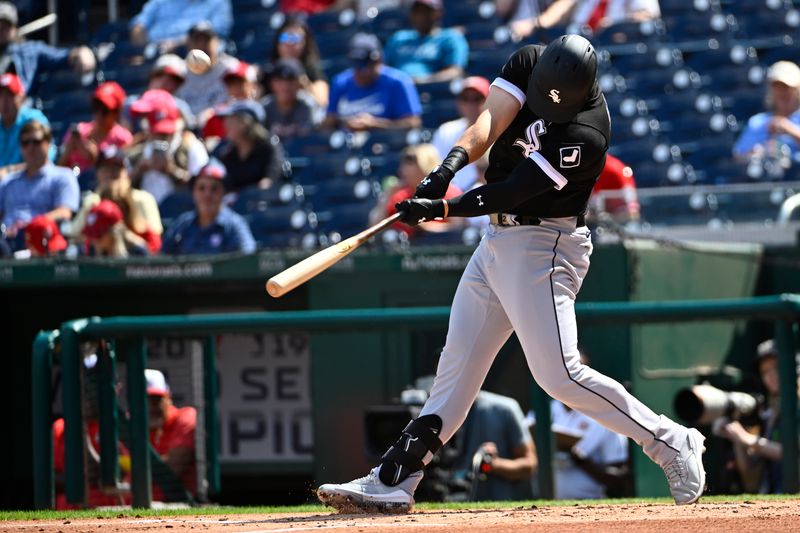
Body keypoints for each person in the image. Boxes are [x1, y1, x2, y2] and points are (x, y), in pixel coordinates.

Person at [316, 35, 705, 513]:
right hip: (498, 243)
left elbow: (511, 192)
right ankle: (396, 478)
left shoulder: (586, 134)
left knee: (559, 375)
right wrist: (447, 169)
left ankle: (671, 442)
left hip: (545, 245)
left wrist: (442, 206)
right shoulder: (531, 61)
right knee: (454, 370)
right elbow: (489, 122)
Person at [545, 350, 630, 499]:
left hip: (589, 504)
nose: (570, 380)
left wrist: (578, 458)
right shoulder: (547, 410)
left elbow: (619, 476)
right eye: (565, 373)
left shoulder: (604, 413)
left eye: (575, 373)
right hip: (543, 504)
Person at [717, 340, 789, 494]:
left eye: (775, 368)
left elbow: (793, 455)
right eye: (765, 372)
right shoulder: (769, 413)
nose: (770, 376)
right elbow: (751, 482)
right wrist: (737, 439)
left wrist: (746, 438)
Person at [71, 146, 162, 254]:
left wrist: (127, 237)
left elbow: (155, 239)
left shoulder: (143, 198)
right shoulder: (92, 201)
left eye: (116, 169)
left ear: (126, 172)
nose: (110, 174)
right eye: (105, 169)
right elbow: (75, 235)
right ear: (97, 173)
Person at [323, 33, 422, 131]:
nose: (359, 73)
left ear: (378, 61)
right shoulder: (341, 82)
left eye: (364, 67)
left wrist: (375, 124)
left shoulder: (398, 82)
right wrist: (342, 122)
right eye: (356, 67)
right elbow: (329, 121)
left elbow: (413, 122)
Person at [0, 120, 78, 244]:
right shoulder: (8, 181)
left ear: (48, 143)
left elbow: (65, 213)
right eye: (25, 143)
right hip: (6, 244)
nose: (31, 148)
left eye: (36, 142)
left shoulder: (63, 176)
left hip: (42, 243)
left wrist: (29, 226)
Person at [128, 89, 209, 204]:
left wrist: (171, 170)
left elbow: (205, 188)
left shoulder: (190, 147)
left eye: (147, 115)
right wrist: (139, 170)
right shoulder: (137, 151)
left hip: (182, 215)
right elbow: (122, 191)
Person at [455, 390, 537, 501]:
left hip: (498, 508)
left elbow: (530, 464)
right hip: (448, 506)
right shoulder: (435, 412)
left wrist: (491, 465)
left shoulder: (505, 408)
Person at [161, 159, 256, 254]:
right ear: (193, 193)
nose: (207, 195)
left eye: (214, 188)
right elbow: (162, 261)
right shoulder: (182, 225)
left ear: (223, 192)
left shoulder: (234, 225)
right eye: (201, 188)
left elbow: (248, 259)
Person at [0, 1, 95, 95]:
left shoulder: (31, 50)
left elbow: (61, 57)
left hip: (23, 106)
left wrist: (79, 53)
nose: (1, 29)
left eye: (5, 25)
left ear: (14, 27)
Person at [378, 143, 463, 238]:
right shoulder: (401, 196)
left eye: (409, 165)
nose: (402, 171)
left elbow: (458, 227)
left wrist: (423, 226)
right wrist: (387, 196)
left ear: (424, 167)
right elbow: (375, 226)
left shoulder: (448, 192)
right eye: (403, 165)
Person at [383, 0, 469, 84]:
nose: (420, 16)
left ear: (438, 12)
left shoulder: (450, 38)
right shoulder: (399, 38)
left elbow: (455, 72)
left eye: (426, 11)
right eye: (417, 11)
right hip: (396, 89)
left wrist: (424, 80)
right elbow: (383, 69)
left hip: (431, 91)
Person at [144, 369, 198, 500]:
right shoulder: (130, 424)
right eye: (145, 400)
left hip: (179, 504)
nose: (152, 407)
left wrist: (134, 467)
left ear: (168, 398)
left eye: (157, 400)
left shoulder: (185, 416)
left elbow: (174, 466)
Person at [57, 81, 133, 173]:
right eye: (96, 107)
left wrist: (95, 159)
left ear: (116, 112)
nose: (99, 114)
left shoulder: (123, 138)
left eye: (105, 110)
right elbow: (60, 171)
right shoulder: (79, 130)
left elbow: (124, 173)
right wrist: (68, 149)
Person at [431, 76, 490, 191]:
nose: (470, 104)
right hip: (449, 194)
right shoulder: (446, 130)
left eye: (477, 98)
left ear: (489, 101)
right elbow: (434, 167)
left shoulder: (500, 130)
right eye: (465, 98)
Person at [734, 61, 800, 162]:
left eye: (786, 87)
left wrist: (788, 128)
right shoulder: (757, 122)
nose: (782, 92)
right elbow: (738, 157)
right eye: (776, 86)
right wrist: (753, 155)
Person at [216, 100, 285, 192]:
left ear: (245, 123)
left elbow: (271, 178)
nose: (226, 125)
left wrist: (263, 187)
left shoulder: (268, 147)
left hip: (264, 202)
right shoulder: (228, 153)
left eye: (231, 120)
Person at [175, 21, 238, 120]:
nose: (202, 45)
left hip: (220, 124)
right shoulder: (178, 72)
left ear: (217, 43)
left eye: (206, 40)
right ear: (188, 45)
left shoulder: (230, 68)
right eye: (197, 41)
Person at [122, 54, 196, 133]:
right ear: (152, 76)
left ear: (178, 85)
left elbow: (191, 129)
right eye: (160, 75)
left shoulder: (180, 107)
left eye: (173, 80)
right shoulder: (130, 104)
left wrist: (180, 124)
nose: (165, 82)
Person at [267, 16, 328, 108]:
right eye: (284, 37)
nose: (289, 43)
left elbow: (322, 103)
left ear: (305, 43)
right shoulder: (269, 72)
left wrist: (304, 85)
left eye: (295, 38)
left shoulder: (313, 72)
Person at [0, 72, 53, 175]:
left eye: (10, 95)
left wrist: (9, 171)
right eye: (1, 96)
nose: (4, 102)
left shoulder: (33, 120)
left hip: (30, 183)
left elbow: (46, 160)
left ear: (22, 97)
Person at [201, 60, 260, 145]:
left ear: (252, 85)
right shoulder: (217, 114)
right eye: (231, 83)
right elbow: (205, 138)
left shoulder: (263, 110)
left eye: (240, 82)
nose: (235, 88)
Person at [262, 59, 323, 141]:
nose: (285, 86)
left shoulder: (309, 105)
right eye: (280, 80)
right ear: (272, 83)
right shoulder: (264, 107)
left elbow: (318, 134)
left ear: (300, 83)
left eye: (290, 80)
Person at [129, 0, 232, 48]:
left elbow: (217, 32)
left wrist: (177, 44)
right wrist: (142, 49)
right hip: (156, 57)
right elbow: (138, 26)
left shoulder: (218, 3)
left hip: (195, 56)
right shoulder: (159, 2)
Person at [82, 199, 148, 258]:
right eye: (91, 235)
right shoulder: (91, 250)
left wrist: (118, 250)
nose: (94, 241)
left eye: (98, 236)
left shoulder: (138, 251)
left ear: (113, 232)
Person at [589, 153, 640, 224]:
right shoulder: (607, 163)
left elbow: (595, 200)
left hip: (622, 210)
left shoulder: (604, 165)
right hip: (624, 206)